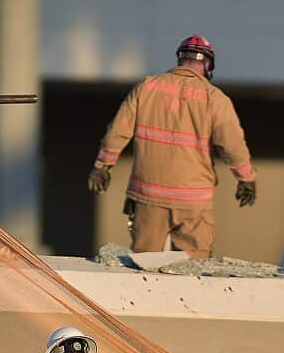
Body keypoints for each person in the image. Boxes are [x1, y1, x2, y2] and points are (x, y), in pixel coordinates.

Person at [88, 34, 256, 259]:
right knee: (195, 270)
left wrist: (103, 165)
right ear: (207, 65)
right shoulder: (215, 98)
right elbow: (232, 144)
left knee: (143, 265)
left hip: (148, 196)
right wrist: (246, 178)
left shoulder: (147, 87)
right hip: (193, 201)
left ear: (179, 58)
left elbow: (118, 131)